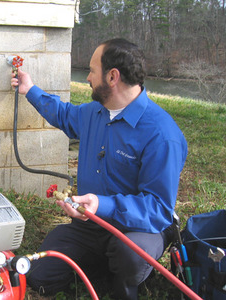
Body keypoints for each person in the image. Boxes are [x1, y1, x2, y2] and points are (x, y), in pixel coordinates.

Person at [11, 38, 188, 299]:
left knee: (128, 255)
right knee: (39, 276)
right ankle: (102, 265)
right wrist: (30, 89)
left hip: (137, 230)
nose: (88, 78)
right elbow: (62, 113)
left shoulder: (161, 135)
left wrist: (101, 204)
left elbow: (158, 208)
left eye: (92, 71)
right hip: (90, 225)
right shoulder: (96, 112)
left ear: (113, 76)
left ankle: (128, 277)